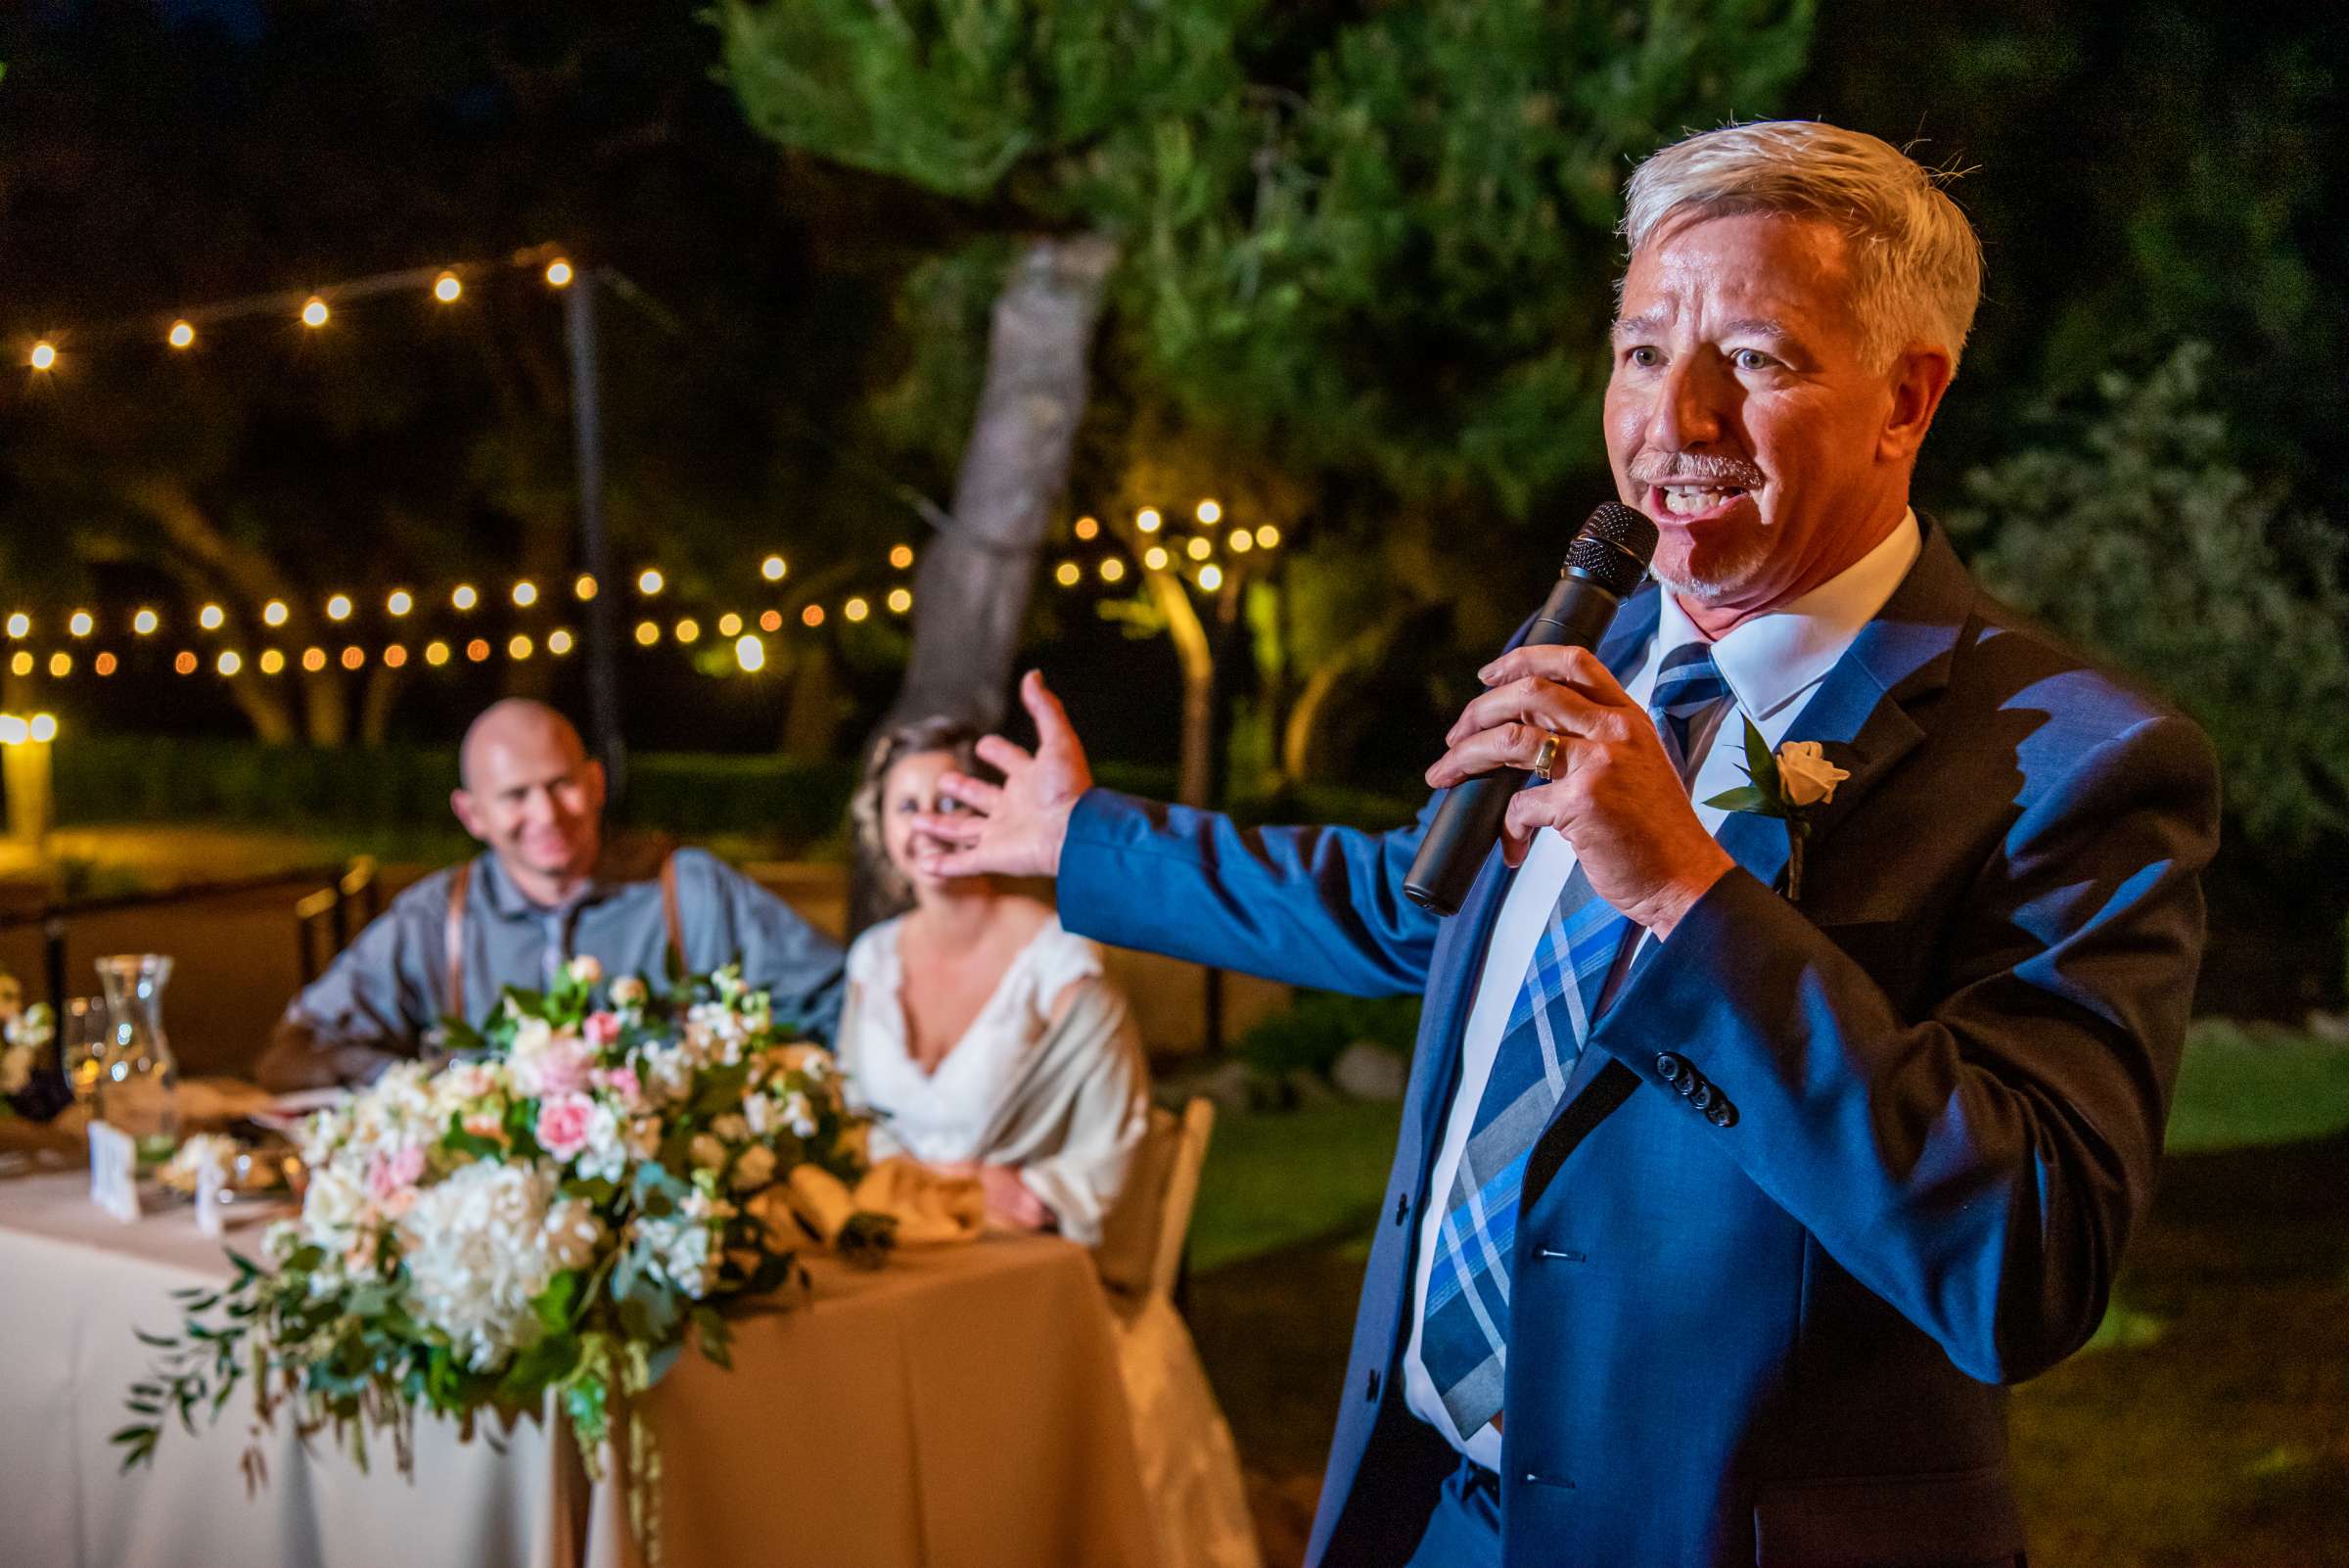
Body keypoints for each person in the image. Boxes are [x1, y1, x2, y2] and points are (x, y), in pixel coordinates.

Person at [913, 121, 2222, 1568]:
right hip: (1427, 1517)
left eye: (1759, 361)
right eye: (1645, 352)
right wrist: (1084, 839)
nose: (1676, 424)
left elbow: (2025, 1260)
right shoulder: (1602, 652)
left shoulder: (2076, 761)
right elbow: (1427, 908)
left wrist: (1692, 894)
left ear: (1907, 400)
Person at [838, 715, 1259, 1568]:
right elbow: (849, 1127)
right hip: (898, 1270)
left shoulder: (1060, 956)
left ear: (992, 809)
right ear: (877, 825)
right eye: (905, 804)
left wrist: (1005, 1196)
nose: (925, 822)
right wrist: (949, 1187)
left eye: (950, 799)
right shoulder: (872, 960)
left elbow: (1109, 1149)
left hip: (1034, 1278)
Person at [255, 700, 845, 1091]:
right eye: (515, 795)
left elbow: (844, 1002)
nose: (545, 814)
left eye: (561, 785)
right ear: (472, 814)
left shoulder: (690, 892)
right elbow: (298, 1048)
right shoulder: (437, 918)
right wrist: (427, 1089)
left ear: (595, 784)